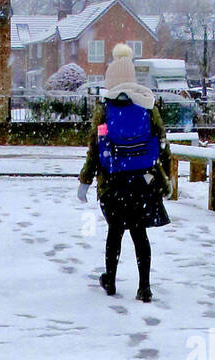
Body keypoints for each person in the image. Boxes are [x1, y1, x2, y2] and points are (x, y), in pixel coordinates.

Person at [77, 43, 173, 303]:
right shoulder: (148, 105)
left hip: (114, 183)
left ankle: (110, 279)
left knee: (115, 233)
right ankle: (144, 287)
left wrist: (86, 180)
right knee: (140, 234)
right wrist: (167, 179)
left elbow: (95, 150)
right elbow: (163, 146)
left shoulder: (105, 109)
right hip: (143, 182)